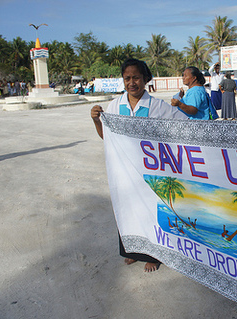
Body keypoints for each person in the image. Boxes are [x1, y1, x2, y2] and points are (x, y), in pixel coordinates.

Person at [90, 58, 188, 272]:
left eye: (136, 78)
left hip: (152, 173)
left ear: (145, 80)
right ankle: (132, 252)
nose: (131, 82)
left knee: (151, 212)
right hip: (124, 172)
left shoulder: (158, 106)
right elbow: (106, 137)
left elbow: (185, 127)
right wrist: (97, 120)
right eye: (127, 78)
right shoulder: (115, 106)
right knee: (126, 210)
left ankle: (154, 255)